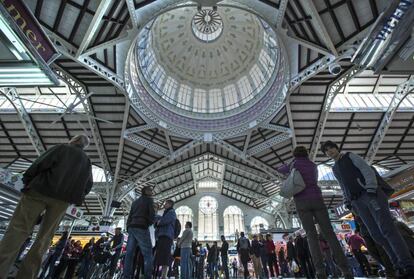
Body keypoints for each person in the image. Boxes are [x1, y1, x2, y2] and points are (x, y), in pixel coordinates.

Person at [0, 135, 93, 279]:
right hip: (62, 202)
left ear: (74, 141)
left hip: (40, 191)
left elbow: (40, 163)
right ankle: (27, 275)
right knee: (44, 238)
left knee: (18, 229)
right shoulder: (86, 161)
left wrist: (27, 179)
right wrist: (74, 197)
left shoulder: (62, 148)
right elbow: (88, 186)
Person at [322, 140, 414, 277]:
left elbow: (366, 169)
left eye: (331, 148)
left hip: (371, 195)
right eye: (327, 151)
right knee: (376, 234)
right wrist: (347, 200)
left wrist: (371, 187)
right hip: (357, 202)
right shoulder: (335, 168)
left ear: (337, 148)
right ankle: (397, 265)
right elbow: (343, 186)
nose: (330, 152)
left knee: (388, 230)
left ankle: (408, 265)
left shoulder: (350, 156)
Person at [278, 146, 353, 279]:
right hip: (317, 199)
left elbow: (280, 169)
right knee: (330, 234)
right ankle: (345, 270)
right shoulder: (313, 165)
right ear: (306, 153)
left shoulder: (294, 164)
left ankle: (320, 271)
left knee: (311, 237)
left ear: (295, 154)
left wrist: (288, 164)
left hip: (301, 202)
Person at [123, 186, 155, 279]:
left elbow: (130, 215)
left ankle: (126, 276)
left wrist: (128, 227)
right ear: (145, 191)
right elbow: (152, 215)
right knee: (148, 253)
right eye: (150, 190)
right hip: (141, 227)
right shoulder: (149, 200)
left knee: (129, 253)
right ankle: (148, 276)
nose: (152, 191)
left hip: (132, 227)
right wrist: (148, 223)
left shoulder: (135, 202)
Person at [155, 199, 177, 279]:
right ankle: (160, 274)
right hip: (163, 235)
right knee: (161, 255)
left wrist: (158, 222)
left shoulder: (171, 212)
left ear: (170, 204)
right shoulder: (166, 213)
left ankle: (164, 275)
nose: (164, 205)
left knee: (165, 256)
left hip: (167, 236)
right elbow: (158, 218)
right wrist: (156, 211)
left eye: (166, 203)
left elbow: (164, 221)